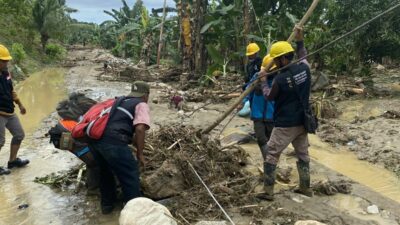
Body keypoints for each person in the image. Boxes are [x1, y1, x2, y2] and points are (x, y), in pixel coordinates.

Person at [258, 28, 313, 200]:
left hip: (285, 124)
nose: (274, 63)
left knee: (271, 155)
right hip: (303, 121)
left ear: (282, 59)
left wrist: (263, 80)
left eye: (275, 60)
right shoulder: (305, 69)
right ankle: (305, 188)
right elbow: (303, 56)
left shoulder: (280, 80)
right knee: (303, 154)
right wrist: (300, 41)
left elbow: (268, 96)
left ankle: (268, 192)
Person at [89, 81, 150, 214]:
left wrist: (133, 140)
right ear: (145, 95)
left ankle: (107, 206)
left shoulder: (120, 101)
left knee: (106, 173)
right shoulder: (141, 104)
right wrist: (140, 154)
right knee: (130, 174)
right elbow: (140, 129)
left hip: (95, 141)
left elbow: (120, 124)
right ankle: (134, 212)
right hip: (113, 143)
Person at [0, 44, 29, 176]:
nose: (6, 62)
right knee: (0, 141)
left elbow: (11, 91)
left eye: (7, 60)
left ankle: (12, 161)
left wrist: (20, 104)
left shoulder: (6, 74)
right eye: (3, 60)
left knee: (19, 135)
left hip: (9, 111)